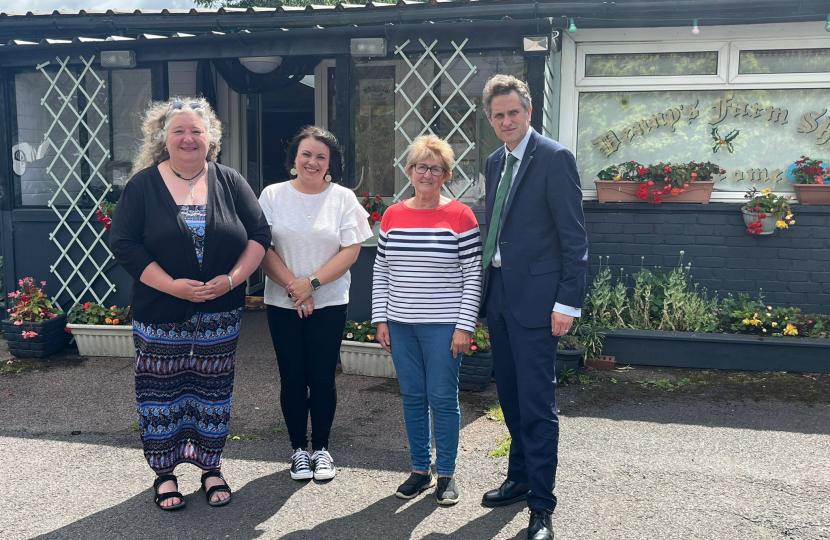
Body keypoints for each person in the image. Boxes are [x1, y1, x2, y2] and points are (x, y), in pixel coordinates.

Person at [110, 97, 271, 511]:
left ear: (210, 138)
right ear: (163, 137)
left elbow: (259, 234)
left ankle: (210, 467)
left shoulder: (229, 181)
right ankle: (165, 474)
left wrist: (234, 280)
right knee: (160, 393)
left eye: (196, 131)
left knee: (213, 390)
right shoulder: (143, 185)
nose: (188, 138)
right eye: (179, 130)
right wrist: (172, 287)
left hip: (221, 315)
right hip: (160, 315)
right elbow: (124, 245)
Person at [478, 75, 588, 540]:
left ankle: (542, 506)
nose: (506, 121)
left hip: (541, 304)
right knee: (509, 398)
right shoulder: (493, 162)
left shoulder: (555, 157)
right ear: (491, 119)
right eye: (498, 115)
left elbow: (574, 238)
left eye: (513, 112)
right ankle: (519, 477)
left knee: (538, 405)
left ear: (528, 112)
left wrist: (567, 302)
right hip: (499, 295)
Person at [372, 134, 483, 506]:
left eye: (436, 168)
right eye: (422, 166)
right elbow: (381, 269)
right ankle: (421, 470)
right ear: (410, 171)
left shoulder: (461, 216)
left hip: (443, 328)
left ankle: (447, 474)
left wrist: (464, 326)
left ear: (446, 175)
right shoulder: (393, 215)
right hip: (400, 325)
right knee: (412, 398)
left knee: (443, 398)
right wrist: (380, 319)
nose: (428, 174)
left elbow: (473, 275)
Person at [259, 126, 372, 482]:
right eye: (306, 154)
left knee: (322, 378)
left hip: (329, 303)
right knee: (292, 378)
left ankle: (321, 449)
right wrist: (296, 290)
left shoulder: (342, 198)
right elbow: (262, 247)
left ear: (330, 164)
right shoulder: (272, 195)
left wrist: (313, 285)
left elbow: (351, 250)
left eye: (321, 156)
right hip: (282, 302)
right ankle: (298, 451)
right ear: (294, 159)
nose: (313, 161)